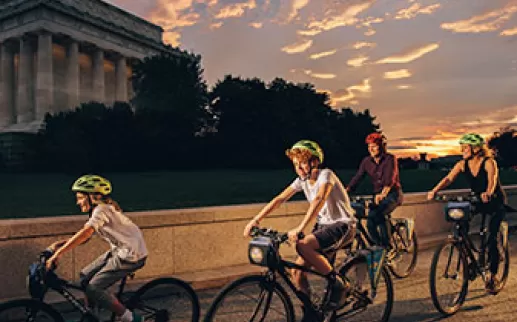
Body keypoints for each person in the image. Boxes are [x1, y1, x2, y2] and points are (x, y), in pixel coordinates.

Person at [243, 140, 356, 316]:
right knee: (297, 272)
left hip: (342, 225)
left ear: (314, 162)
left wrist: (301, 227)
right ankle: (311, 313)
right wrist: (255, 220)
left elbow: (319, 199)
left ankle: (338, 283)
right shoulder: (301, 181)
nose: (299, 168)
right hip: (323, 226)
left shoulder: (326, 175)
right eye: (296, 164)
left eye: (303, 162)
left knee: (302, 245)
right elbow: (280, 199)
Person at [46, 175, 148, 322]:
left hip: (131, 255)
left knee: (94, 288)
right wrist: (59, 245)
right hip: (120, 250)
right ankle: (92, 315)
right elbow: (86, 237)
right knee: (84, 277)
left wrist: (58, 254)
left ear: (94, 197)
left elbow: (85, 233)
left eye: (81, 197)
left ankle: (131, 318)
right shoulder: (101, 209)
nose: (77, 202)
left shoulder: (102, 210)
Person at [427, 133, 506, 294]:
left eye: (465, 147)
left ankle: (492, 275)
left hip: (494, 201)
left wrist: (488, 192)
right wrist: (434, 190)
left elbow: (492, 180)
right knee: (461, 223)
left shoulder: (489, 162)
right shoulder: (462, 164)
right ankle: (466, 253)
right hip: (478, 200)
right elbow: (448, 179)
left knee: (491, 236)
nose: (462, 150)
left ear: (476, 148)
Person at [346, 132, 403, 249]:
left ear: (381, 146)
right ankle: (378, 247)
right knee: (370, 223)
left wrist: (383, 194)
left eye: (374, 146)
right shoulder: (366, 161)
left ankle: (387, 246)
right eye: (369, 146)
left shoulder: (390, 159)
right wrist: (345, 191)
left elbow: (390, 179)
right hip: (378, 196)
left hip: (393, 195)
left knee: (378, 214)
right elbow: (358, 177)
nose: (371, 149)